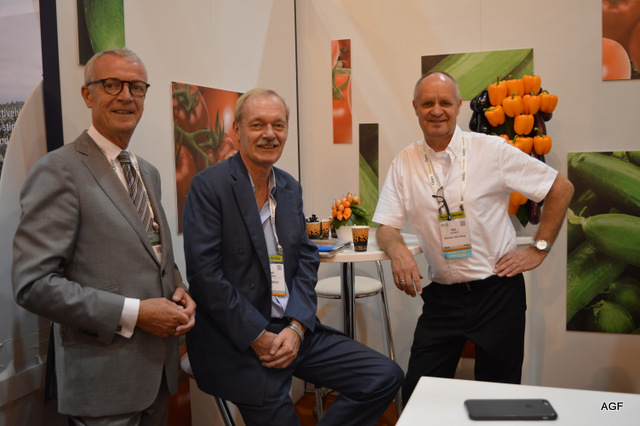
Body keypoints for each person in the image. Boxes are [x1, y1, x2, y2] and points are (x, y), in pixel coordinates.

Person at [183, 87, 403, 426]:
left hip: (291, 327)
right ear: (237, 130)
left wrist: (298, 327)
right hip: (237, 338)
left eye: (278, 125)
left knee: (384, 376)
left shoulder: (288, 188)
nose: (270, 134)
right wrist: (258, 336)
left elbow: (306, 259)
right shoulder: (209, 186)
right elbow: (205, 277)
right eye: (257, 124)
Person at [12, 48, 196, 425]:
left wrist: (180, 289)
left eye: (137, 87)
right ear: (88, 95)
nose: (126, 96)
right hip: (102, 384)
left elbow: (154, 253)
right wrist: (137, 314)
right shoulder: (59, 170)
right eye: (112, 85)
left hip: (157, 376)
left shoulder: (147, 172)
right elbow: (33, 285)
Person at [373, 71, 574, 404]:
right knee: (418, 397)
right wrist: (397, 250)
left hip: (498, 295)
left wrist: (539, 248)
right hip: (442, 300)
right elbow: (386, 227)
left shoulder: (491, 150)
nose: (436, 110)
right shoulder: (404, 162)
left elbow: (560, 189)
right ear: (415, 107)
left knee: (499, 402)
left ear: (458, 106)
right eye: (427, 103)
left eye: (444, 102)